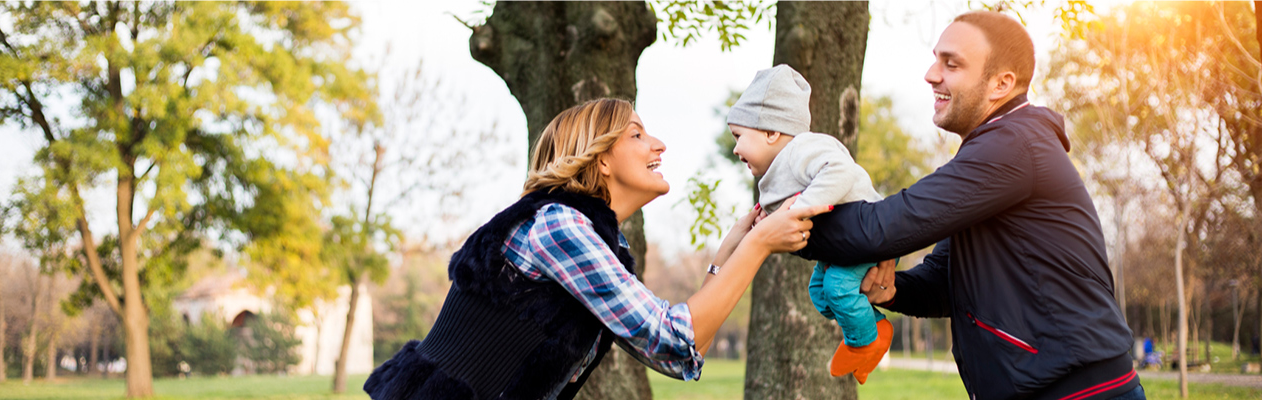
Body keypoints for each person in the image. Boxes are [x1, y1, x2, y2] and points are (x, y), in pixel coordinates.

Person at [364, 98, 829, 400]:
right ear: (601, 158)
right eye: (637, 134)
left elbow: (678, 351)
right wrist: (761, 245)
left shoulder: (591, 238)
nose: (659, 144)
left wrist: (733, 249)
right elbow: (673, 335)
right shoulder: (558, 226)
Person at [795, 11, 1144, 400]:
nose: (931, 74)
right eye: (936, 59)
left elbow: (886, 227)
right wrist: (891, 292)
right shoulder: (994, 153)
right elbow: (946, 285)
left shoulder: (1014, 145)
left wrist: (787, 223)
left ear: (1002, 84)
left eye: (951, 63)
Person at [726, 64, 896, 385]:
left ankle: (864, 343)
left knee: (836, 287)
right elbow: (780, 209)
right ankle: (873, 326)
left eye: (739, 136)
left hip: (868, 235)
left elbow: (839, 171)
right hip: (842, 245)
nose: (735, 148)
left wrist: (801, 209)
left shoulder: (803, 148)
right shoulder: (776, 170)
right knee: (819, 292)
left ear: (771, 132)